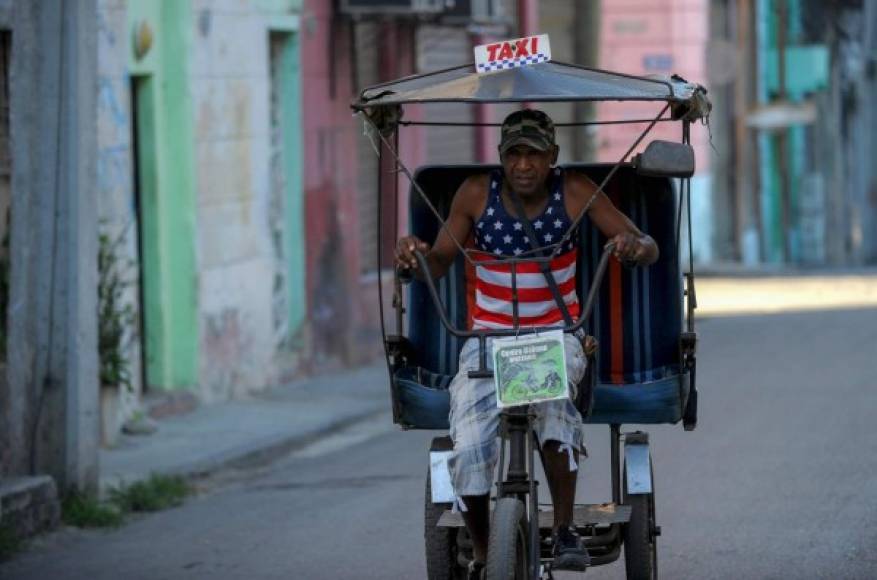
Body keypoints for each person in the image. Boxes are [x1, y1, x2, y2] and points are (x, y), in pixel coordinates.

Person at [395, 109, 658, 578]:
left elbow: (639, 240)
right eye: (513, 153)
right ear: (500, 156)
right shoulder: (476, 193)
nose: (522, 164)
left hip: (555, 336)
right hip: (484, 342)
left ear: (552, 157)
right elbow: (438, 261)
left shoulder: (574, 191)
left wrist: (636, 246)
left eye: (533, 154)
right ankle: (481, 550)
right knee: (470, 445)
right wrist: (415, 258)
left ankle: (562, 529)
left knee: (553, 406)